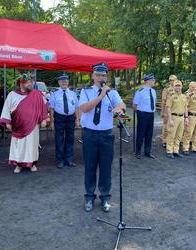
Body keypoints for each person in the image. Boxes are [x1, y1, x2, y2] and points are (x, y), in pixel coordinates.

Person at [79, 62, 126, 212]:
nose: (101, 77)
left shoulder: (112, 93)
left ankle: (105, 197)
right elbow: (84, 108)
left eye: (104, 75)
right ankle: (89, 197)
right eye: (98, 75)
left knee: (106, 168)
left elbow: (122, 105)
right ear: (93, 76)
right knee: (90, 167)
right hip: (90, 134)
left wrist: (119, 109)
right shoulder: (85, 91)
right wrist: (100, 96)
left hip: (106, 135)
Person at [0, 73, 48, 174]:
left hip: (33, 125)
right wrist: (7, 122)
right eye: (27, 82)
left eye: (31, 82)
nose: (30, 84)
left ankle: (32, 164)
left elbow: (44, 105)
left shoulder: (37, 94)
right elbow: (6, 108)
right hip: (18, 126)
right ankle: (18, 165)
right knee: (19, 146)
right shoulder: (12, 95)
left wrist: (44, 119)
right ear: (21, 83)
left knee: (32, 145)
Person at [49, 73, 79, 168]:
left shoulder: (73, 94)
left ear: (68, 82)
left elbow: (77, 107)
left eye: (65, 81)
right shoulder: (54, 94)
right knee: (59, 139)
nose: (64, 83)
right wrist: (51, 121)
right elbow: (51, 108)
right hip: (59, 118)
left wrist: (77, 119)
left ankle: (69, 160)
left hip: (70, 118)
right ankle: (60, 160)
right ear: (59, 82)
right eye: (62, 81)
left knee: (70, 139)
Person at [133, 73, 156, 159]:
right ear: (148, 81)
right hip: (142, 114)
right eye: (153, 80)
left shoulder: (153, 91)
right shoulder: (140, 91)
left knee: (149, 134)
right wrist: (140, 114)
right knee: (141, 133)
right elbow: (134, 105)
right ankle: (138, 152)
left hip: (151, 114)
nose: (154, 81)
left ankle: (147, 152)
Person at [165, 80, 188, 158]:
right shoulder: (171, 96)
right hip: (174, 117)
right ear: (173, 87)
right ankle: (169, 151)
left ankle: (175, 151)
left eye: (179, 85)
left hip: (182, 118)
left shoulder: (184, 96)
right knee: (171, 135)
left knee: (179, 135)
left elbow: (186, 107)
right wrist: (170, 119)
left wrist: (186, 117)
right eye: (176, 85)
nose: (178, 87)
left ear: (181, 86)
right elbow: (168, 108)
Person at [182, 81, 196, 154]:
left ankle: (195, 148)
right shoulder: (190, 95)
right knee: (188, 133)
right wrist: (186, 117)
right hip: (191, 116)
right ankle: (186, 148)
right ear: (194, 87)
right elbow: (185, 106)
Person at [161, 75, 177, 147]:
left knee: (174, 126)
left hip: (175, 110)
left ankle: (171, 140)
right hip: (167, 110)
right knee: (166, 126)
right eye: (170, 80)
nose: (172, 81)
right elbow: (163, 101)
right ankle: (164, 140)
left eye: (173, 80)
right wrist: (162, 111)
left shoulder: (178, 88)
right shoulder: (166, 89)